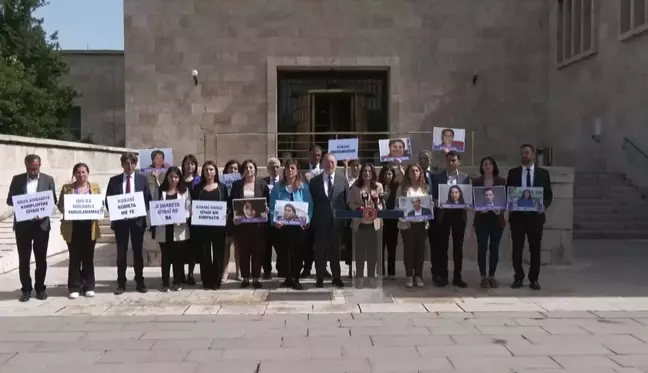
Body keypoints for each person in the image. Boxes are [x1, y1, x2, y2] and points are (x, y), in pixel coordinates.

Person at [6, 154, 57, 302]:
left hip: (41, 225)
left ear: (40, 166)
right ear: (26, 167)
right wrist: (23, 204)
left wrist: (42, 212)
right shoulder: (17, 180)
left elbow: (52, 200)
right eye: (30, 169)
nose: (33, 171)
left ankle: (40, 288)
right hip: (23, 225)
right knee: (24, 259)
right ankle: (26, 290)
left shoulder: (48, 180)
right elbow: (10, 200)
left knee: (41, 259)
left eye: (35, 168)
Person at [105, 152, 153, 295]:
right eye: (126, 163)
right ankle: (121, 282)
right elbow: (108, 201)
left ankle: (140, 281)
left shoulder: (142, 180)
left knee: (138, 252)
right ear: (122, 165)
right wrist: (119, 212)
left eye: (132, 163)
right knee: (121, 253)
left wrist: (138, 211)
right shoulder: (114, 181)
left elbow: (147, 199)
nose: (129, 166)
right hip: (121, 223)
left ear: (135, 164)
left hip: (137, 222)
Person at [507, 144, 553, 290]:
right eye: (522, 153)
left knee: (535, 248)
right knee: (517, 248)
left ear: (533, 154)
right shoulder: (513, 173)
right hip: (518, 218)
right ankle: (518, 277)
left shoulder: (543, 174)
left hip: (535, 218)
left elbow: (548, 195)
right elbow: (509, 192)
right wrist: (510, 205)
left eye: (527, 153)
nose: (524, 155)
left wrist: (543, 207)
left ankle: (534, 278)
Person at [57, 163, 101, 299]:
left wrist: (99, 208)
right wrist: (66, 209)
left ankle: (88, 286)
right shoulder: (67, 188)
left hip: (89, 227)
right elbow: (60, 205)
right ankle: (74, 287)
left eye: (83, 172)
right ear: (74, 174)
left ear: (88, 173)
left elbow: (99, 203)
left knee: (88, 257)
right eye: (78, 172)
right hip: (73, 228)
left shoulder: (95, 187)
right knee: (74, 258)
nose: (81, 175)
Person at [269, 159, 313, 290]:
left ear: (297, 170)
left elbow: (310, 206)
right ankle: (288, 278)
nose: (290, 170)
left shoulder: (304, 187)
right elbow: (272, 206)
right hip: (283, 228)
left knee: (297, 253)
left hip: (298, 228)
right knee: (284, 253)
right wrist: (274, 220)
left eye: (293, 168)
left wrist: (307, 220)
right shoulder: (278, 187)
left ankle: (296, 278)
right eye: (288, 168)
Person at [432, 151, 471, 288]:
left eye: (454, 160)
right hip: (444, 215)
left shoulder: (465, 177)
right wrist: (436, 201)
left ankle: (457, 276)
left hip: (459, 216)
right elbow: (434, 195)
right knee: (442, 247)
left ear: (458, 162)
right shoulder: (438, 177)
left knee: (458, 248)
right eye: (449, 160)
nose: (451, 163)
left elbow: (467, 196)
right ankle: (443, 276)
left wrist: (467, 203)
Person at [309, 153, 348, 288]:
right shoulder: (314, 182)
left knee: (335, 251)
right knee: (320, 251)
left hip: (336, 223)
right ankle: (319, 277)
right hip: (320, 222)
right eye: (327, 162)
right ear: (322, 163)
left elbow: (346, 201)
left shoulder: (343, 180)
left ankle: (336, 277)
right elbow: (311, 202)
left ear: (336, 164)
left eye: (332, 162)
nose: (329, 165)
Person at [230, 159, 269, 289]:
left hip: (258, 226)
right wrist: (233, 217)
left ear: (255, 170)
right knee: (244, 252)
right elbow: (232, 203)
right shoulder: (236, 185)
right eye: (246, 168)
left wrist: (267, 210)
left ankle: (256, 278)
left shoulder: (262, 185)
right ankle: (246, 277)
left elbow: (266, 202)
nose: (249, 170)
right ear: (243, 170)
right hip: (242, 225)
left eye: (251, 167)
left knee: (257, 252)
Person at [192, 160, 229, 290]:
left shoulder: (222, 187)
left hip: (218, 227)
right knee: (204, 254)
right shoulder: (197, 188)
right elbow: (193, 205)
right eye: (206, 170)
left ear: (215, 172)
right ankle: (206, 281)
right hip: (202, 227)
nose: (209, 172)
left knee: (219, 253)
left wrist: (226, 214)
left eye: (211, 169)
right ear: (203, 172)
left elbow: (227, 205)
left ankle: (216, 280)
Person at [154, 167, 191, 292]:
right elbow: (154, 207)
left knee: (178, 257)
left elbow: (188, 209)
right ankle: (165, 283)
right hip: (164, 229)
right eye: (171, 177)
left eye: (176, 177)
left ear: (179, 178)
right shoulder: (160, 191)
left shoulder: (184, 191)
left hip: (178, 229)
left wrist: (181, 218)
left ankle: (177, 282)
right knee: (165, 257)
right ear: (167, 177)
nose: (173, 179)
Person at [472, 156, 507, 289]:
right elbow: (473, 200)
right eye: (485, 164)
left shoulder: (501, 181)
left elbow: (506, 199)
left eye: (489, 164)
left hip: (497, 219)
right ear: (481, 167)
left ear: (493, 166)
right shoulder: (476, 182)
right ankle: (483, 276)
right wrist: (480, 209)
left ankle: (492, 275)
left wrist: (501, 209)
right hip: (482, 219)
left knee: (494, 248)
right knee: (482, 248)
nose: (487, 166)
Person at [347, 163, 383, 287]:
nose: (367, 173)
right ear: (361, 173)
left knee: (373, 252)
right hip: (360, 224)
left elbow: (382, 206)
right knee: (360, 253)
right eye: (365, 171)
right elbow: (350, 203)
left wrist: (377, 202)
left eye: (369, 171)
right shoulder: (355, 187)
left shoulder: (378, 187)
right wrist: (359, 209)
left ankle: (372, 277)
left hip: (374, 225)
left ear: (373, 173)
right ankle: (359, 277)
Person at [396, 164, 429, 288]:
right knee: (409, 250)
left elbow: (428, 204)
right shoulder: (403, 188)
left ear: (420, 173)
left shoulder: (425, 187)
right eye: (412, 171)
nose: (414, 173)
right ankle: (409, 275)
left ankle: (418, 275)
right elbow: (397, 203)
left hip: (422, 223)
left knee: (420, 250)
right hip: (407, 224)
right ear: (408, 173)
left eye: (417, 171)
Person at [300, 145, 323, 278]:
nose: (317, 157)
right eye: (314, 154)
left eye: (319, 155)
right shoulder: (302, 170)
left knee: (321, 241)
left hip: (320, 211)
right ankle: (307, 268)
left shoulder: (324, 170)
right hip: (306, 210)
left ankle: (322, 267)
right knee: (307, 242)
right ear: (309, 154)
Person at [181, 154, 201, 285]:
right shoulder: (178, 179)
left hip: (194, 218)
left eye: (192, 164)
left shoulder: (199, 180)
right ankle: (180, 273)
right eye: (187, 164)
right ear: (183, 166)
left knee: (192, 247)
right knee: (181, 247)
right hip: (180, 218)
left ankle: (190, 274)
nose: (190, 166)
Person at [378, 166, 399, 279]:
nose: (388, 176)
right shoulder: (378, 186)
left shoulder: (396, 187)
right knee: (380, 247)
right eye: (386, 174)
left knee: (392, 247)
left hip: (393, 221)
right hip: (380, 220)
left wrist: (401, 169)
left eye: (390, 174)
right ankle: (381, 272)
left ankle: (391, 272)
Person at [222, 159, 241, 281]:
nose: (233, 170)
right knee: (226, 245)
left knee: (238, 245)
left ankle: (239, 271)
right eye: (230, 168)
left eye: (235, 168)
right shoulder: (221, 183)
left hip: (238, 217)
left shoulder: (241, 184)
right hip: (225, 217)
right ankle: (225, 271)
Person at [262, 157, 281, 279]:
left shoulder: (284, 182)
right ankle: (267, 270)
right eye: (272, 166)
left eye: (277, 166)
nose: (274, 169)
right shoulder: (262, 183)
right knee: (266, 247)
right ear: (268, 169)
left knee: (280, 246)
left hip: (279, 220)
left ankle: (281, 269)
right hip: (265, 220)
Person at [342, 159, 361, 278]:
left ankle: (359, 269)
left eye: (357, 166)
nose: (355, 168)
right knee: (350, 243)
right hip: (349, 215)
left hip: (361, 215)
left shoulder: (363, 180)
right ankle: (350, 268)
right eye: (353, 166)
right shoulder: (347, 179)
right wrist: (345, 167)